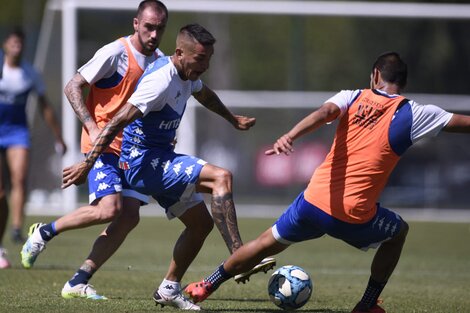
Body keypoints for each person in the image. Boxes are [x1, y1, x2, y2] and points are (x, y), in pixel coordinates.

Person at [183, 51, 470, 313]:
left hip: (312, 201)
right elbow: (462, 123)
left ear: (375, 76)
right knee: (398, 233)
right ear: (403, 84)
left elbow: (324, 114)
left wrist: (290, 136)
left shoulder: (352, 96)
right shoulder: (415, 114)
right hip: (352, 215)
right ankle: (367, 305)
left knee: (263, 243)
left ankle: (206, 284)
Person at [61, 23, 275, 310]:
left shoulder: (187, 74)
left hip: (158, 159)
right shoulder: (160, 79)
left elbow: (204, 94)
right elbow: (118, 121)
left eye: (208, 59)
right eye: (200, 59)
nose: (205, 66)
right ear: (179, 53)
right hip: (142, 163)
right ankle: (240, 256)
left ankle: (169, 288)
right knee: (221, 176)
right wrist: (88, 163)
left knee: (201, 225)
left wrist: (232, 118)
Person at [20, 0, 169, 298]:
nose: (154, 34)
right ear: (136, 24)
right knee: (109, 209)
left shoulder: (162, 62)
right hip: (102, 143)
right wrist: (91, 125)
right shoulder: (115, 53)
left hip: (134, 150)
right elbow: (73, 86)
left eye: (160, 29)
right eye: (149, 27)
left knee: (129, 217)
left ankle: (78, 281)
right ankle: (44, 232)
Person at [0, 29, 66, 268]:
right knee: (0, 192)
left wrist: (59, 136)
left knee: (19, 177)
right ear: (5, 45)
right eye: (13, 42)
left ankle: (17, 228)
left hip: (17, 133)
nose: (17, 46)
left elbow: (45, 106)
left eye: (21, 42)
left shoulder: (29, 73)